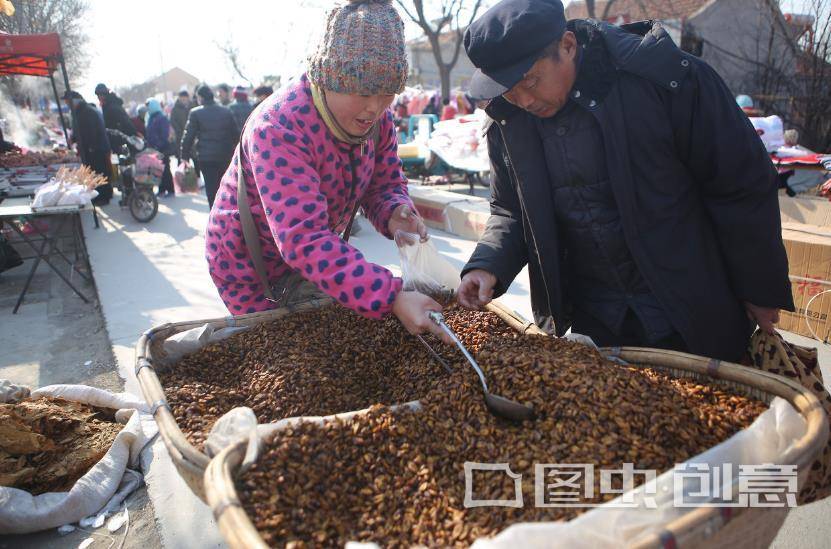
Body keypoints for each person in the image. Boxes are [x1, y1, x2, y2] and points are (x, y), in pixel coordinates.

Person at [456, 0, 793, 362]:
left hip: (691, 306)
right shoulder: (508, 121)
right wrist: (486, 264)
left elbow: (739, 183)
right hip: (597, 319)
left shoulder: (665, 79)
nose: (522, 99)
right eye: (508, 89)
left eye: (530, 81)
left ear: (568, 46)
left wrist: (759, 287)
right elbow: (510, 210)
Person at [204, 0, 450, 343]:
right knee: (278, 349)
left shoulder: (379, 120)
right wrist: (391, 295)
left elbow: (384, 183)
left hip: (316, 255)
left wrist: (395, 211)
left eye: (387, 94)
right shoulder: (278, 127)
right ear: (328, 79)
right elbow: (303, 237)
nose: (375, 107)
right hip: (249, 265)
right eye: (364, 92)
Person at [180, 85, 238, 209]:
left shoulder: (196, 113)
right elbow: (235, 134)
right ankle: (228, 214)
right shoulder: (226, 111)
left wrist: (184, 156)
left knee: (211, 189)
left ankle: (215, 217)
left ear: (200, 97)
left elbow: (188, 136)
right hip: (225, 155)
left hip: (206, 158)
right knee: (227, 187)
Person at [63, 91, 113, 205]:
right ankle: (100, 195)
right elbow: (80, 131)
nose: (67, 106)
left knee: (99, 173)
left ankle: (103, 197)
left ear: (74, 101)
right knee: (96, 173)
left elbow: (90, 132)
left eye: (68, 103)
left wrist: (90, 147)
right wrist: (74, 139)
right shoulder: (80, 111)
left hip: (95, 148)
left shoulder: (86, 112)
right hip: (91, 147)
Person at [145, 99, 175, 197]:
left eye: (148, 106)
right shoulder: (150, 117)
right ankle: (161, 189)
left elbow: (165, 134)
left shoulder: (161, 117)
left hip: (162, 148)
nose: (147, 108)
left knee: (165, 169)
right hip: (154, 148)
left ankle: (170, 190)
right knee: (157, 170)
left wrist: (159, 145)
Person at [94, 83, 137, 152]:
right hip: (116, 138)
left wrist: (135, 134)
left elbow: (125, 120)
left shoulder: (112, 106)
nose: (98, 98)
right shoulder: (107, 105)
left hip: (121, 138)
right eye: (97, 95)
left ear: (104, 94)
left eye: (100, 95)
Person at [170, 91, 191, 160]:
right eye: (182, 99)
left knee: (195, 159)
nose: (184, 100)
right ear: (179, 98)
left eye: (185, 99)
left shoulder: (191, 107)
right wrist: (179, 131)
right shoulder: (175, 109)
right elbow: (173, 121)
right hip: (180, 137)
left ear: (188, 98)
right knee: (182, 158)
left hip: (191, 136)